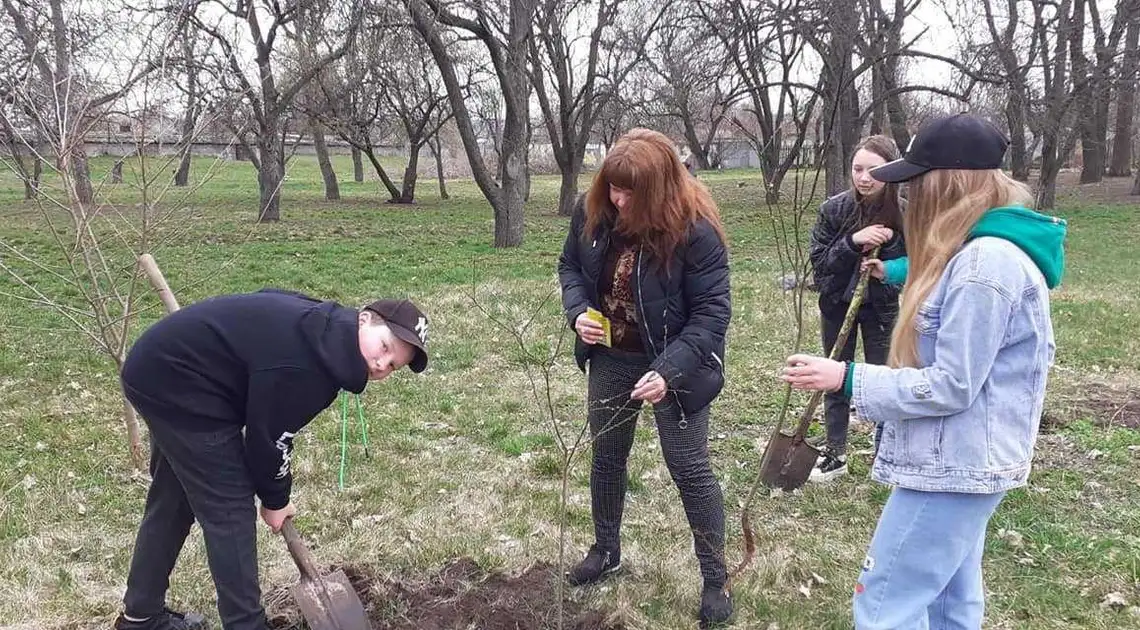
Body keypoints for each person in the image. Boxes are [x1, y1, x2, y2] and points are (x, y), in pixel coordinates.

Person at [781, 113, 1066, 629]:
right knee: (949, 605)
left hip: (951, 467)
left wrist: (845, 377)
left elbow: (952, 385)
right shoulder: (973, 254)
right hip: (959, 463)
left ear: (946, 184)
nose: (908, 198)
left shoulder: (986, 266)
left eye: (914, 185)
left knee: (885, 605)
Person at [113, 289, 430, 630]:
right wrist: (275, 500)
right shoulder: (309, 367)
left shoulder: (323, 328)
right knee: (230, 508)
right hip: (180, 381)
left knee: (174, 499)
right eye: (384, 347)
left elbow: (269, 298)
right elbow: (268, 441)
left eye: (393, 365)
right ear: (364, 319)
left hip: (163, 367)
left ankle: (140, 616)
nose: (382, 364)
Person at [558, 128, 733, 627]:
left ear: (659, 188)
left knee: (689, 468)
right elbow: (569, 266)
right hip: (612, 355)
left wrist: (669, 371)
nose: (618, 199)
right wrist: (578, 313)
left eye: (631, 192)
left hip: (678, 365)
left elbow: (710, 316)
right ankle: (606, 550)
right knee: (608, 456)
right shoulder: (595, 214)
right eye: (613, 187)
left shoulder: (695, 232)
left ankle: (715, 579)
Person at [807, 135, 907, 481]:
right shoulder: (834, 210)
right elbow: (820, 265)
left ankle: (886, 454)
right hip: (837, 306)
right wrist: (853, 242)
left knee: (884, 379)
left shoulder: (905, 213)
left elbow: (917, 265)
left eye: (874, 171)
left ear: (891, 172)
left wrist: (891, 248)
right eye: (857, 169)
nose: (864, 178)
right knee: (835, 377)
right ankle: (835, 452)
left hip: (881, 309)